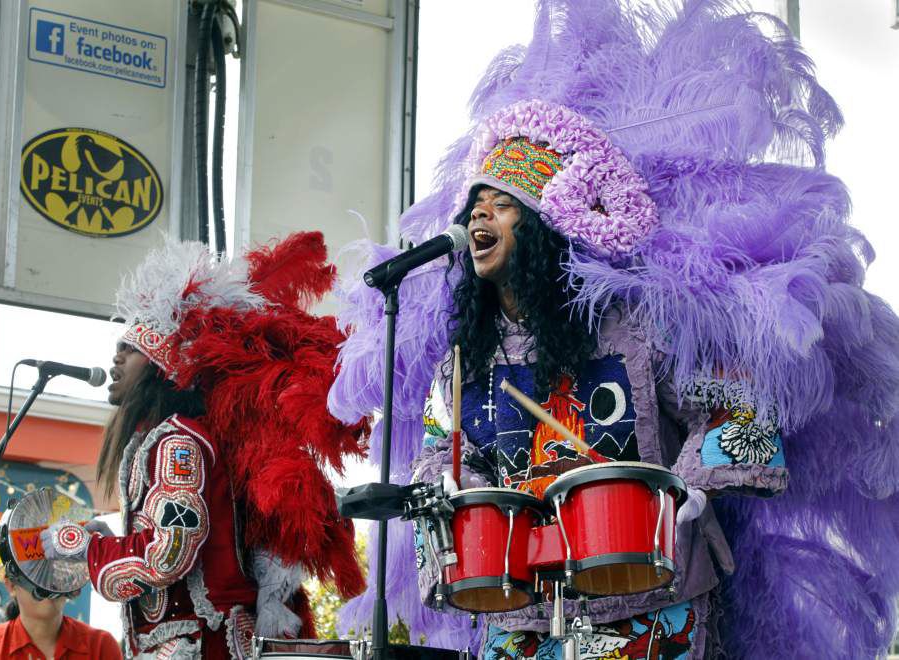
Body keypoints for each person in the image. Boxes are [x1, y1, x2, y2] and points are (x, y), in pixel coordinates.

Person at [328, 0, 899, 658]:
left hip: (648, 604)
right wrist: (444, 481)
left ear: (544, 228)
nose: (480, 217)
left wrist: (687, 489)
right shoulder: (469, 355)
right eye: (475, 205)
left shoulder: (637, 323)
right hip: (520, 613)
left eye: (502, 205)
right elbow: (440, 443)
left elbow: (739, 408)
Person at [43, 232, 368, 658]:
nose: (116, 358)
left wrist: (87, 547)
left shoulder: (178, 440)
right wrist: (107, 538)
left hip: (202, 645)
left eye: (129, 349)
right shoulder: (173, 437)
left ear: (159, 363)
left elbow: (169, 552)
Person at [0, 567, 121, 659]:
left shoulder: (101, 646)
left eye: (56, 573)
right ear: (11, 586)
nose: (47, 584)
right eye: (34, 574)